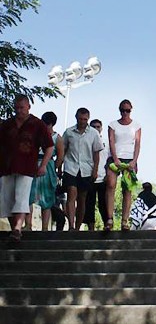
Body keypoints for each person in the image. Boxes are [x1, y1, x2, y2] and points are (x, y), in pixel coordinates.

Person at [0, 95, 54, 242]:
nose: (19, 111)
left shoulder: (37, 124)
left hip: (27, 167)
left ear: (28, 107)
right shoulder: (7, 124)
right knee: (7, 200)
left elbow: (49, 146)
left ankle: (18, 228)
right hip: (6, 167)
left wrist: (43, 165)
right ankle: (13, 229)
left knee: (21, 197)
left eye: (22, 108)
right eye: (16, 108)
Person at [61, 107, 103, 231]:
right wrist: (60, 167)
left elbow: (96, 153)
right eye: (80, 119)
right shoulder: (69, 132)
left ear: (88, 119)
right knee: (71, 194)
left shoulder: (93, 133)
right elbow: (63, 149)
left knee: (82, 199)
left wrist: (95, 170)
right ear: (76, 118)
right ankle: (71, 225)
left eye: (85, 119)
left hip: (86, 169)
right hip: (71, 167)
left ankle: (78, 226)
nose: (83, 121)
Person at [106, 99, 141, 231]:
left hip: (129, 158)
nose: (125, 113)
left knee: (127, 188)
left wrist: (134, 160)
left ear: (131, 110)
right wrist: (115, 158)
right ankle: (109, 219)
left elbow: (137, 143)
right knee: (111, 184)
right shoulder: (113, 124)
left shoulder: (136, 125)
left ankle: (125, 221)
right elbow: (111, 140)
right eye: (122, 110)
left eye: (127, 110)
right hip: (115, 157)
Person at [27, 111, 64, 231]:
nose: (46, 126)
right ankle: (28, 224)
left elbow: (60, 155)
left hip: (48, 166)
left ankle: (44, 228)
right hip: (33, 164)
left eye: (48, 124)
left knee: (47, 198)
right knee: (29, 195)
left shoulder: (57, 137)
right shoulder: (35, 135)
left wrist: (53, 168)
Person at [83, 119, 109, 230]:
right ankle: (91, 228)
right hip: (89, 176)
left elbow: (110, 159)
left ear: (101, 128)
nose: (96, 128)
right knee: (89, 203)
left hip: (103, 177)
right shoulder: (86, 140)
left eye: (98, 126)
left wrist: (109, 173)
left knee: (104, 203)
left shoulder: (106, 142)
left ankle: (106, 225)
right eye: (93, 126)